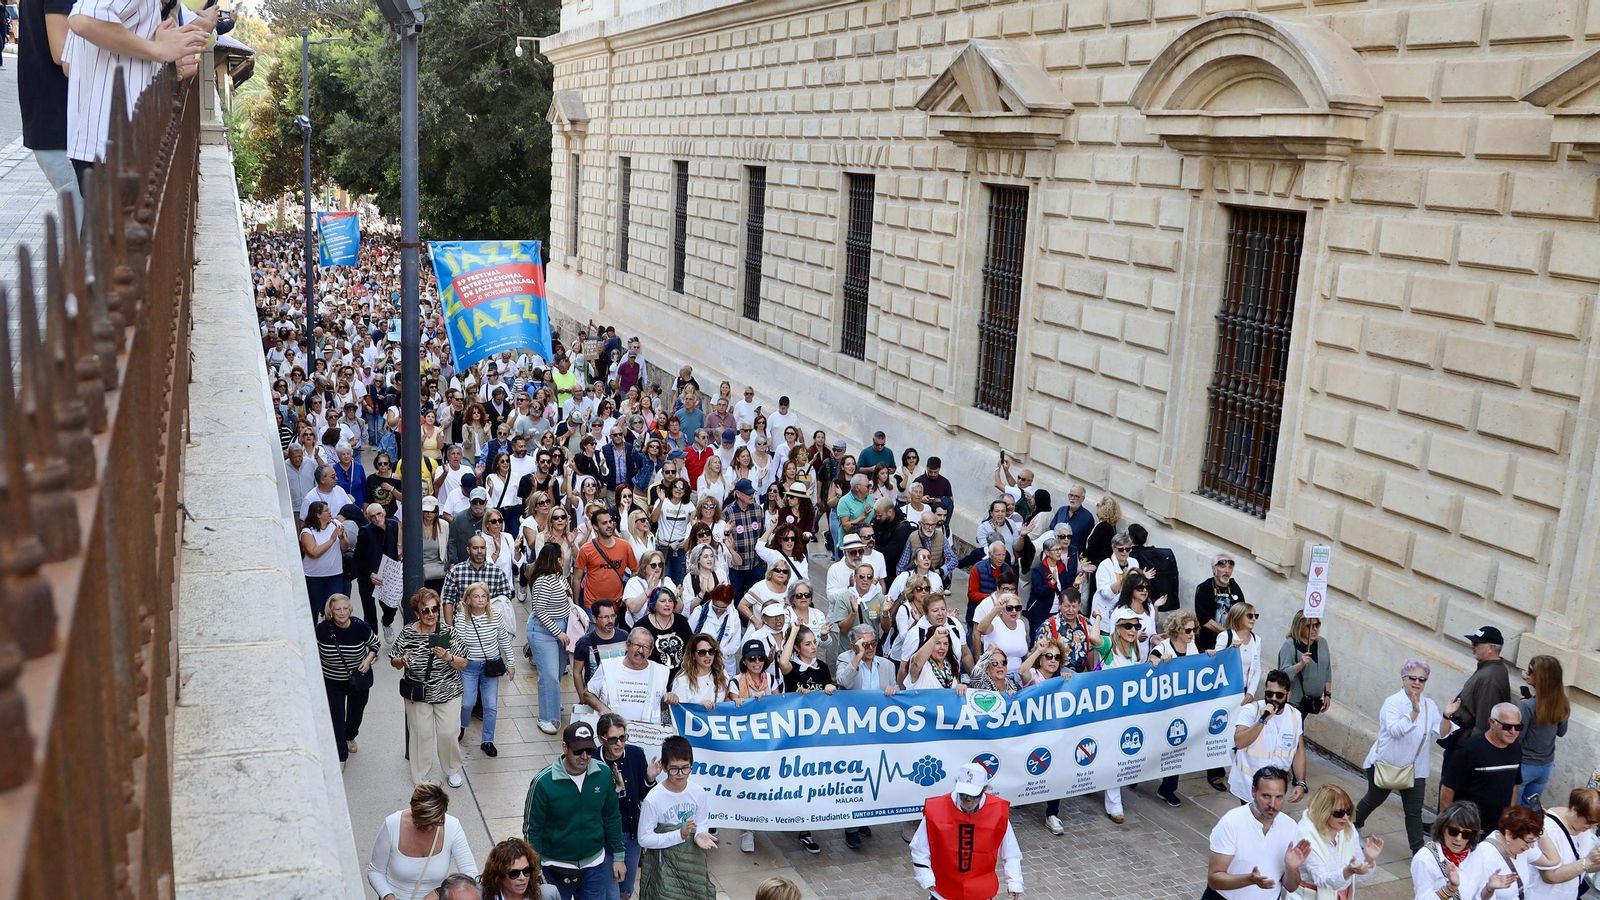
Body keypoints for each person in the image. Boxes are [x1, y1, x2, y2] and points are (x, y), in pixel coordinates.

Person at [1354, 659, 1455, 854]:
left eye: (1422, 679)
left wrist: (1447, 717)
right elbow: (1395, 731)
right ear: (1403, 679)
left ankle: (1419, 853)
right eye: (1413, 678)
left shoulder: (1430, 705)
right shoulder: (1392, 702)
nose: (1417, 683)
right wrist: (1414, 713)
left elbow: (1441, 732)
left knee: (1413, 812)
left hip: (1415, 768)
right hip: (1385, 763)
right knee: (1374, 799)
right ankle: (1353, 825)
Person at [523, 722, 628, 900]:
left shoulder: (603, 774)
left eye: (589, 750)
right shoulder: (543, 782)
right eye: (578, 751)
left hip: (594, 866)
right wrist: (536, 869)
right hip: (554, 869)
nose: (585, 756)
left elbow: (612, 817)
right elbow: (532, 830)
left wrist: (619, 856)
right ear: (565, 747)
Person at [389, 588, 470, 787]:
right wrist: (402, 660)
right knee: (420, 735)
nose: (431, 614)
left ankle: (451, 769)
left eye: (435, 610)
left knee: (448, 733)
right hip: (418, 693)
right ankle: (420, 777)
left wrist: (448, 657)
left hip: (448, 691)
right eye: (425, 610)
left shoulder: (448, 632)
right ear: (417, 613)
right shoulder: (408, 632)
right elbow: (393, 659)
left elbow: (464, 662)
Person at [910, 762, 1023, 900]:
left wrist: (1014, 882)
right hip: (943, 891)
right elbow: (919, 847)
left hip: (981, 892)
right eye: (963, 794)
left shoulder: (998, 812)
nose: (968, 799)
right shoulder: (936, 810)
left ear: (985, 789)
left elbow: (1010, 851)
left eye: (973, 795)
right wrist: (925, 876)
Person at [1204, 766, 1311, 900]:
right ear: (1253, 791)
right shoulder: (1232, 822)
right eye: (1266, 796)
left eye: (1279, 797)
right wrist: (1249, 879)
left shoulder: (1290, 827)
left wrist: (1291, 868)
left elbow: (1291, 886)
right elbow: (1214, 879)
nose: (1273, 804)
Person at [637, 736, 717, 900]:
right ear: (665, 767)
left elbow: (701, 822)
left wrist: (700, 834)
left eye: (685, 768)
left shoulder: (698, 792)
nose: (680, 774)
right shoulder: (654, 799)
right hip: (664, 867)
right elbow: (644, 839)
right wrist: (678, 835)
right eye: (674, 769)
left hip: (692, 863)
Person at [368, 784, 479, 900]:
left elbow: (471, 876)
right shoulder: (392, 824)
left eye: (435, 823)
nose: (429, 829)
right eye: (421, 824)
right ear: (413, 813)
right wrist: (388, 896)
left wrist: (438, 892)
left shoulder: (452, 826)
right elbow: (375, 871)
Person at [1440, 702, 1526, 842]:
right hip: (1467, 828)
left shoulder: (1516, 749)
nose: (1513, 731)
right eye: (1507, 726)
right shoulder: (1468, 750)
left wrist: (1509, 816)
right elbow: (1448, 789)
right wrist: (1449, 825)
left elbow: (1514, 784)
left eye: (1518, 727)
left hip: (1496, 829)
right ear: (1492, 722)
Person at [316, 593, 379, 768]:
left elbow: (375, 644)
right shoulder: (322, 630)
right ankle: (341, 756)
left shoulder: (360, 626)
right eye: (338, 609)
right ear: (331, 611)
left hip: (357, 679)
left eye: (345, 608)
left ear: (350, 609)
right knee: (336, 717)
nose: (342, 612)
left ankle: (350, 735)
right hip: (332, 680)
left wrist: (368, 660)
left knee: (355, 715)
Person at [1231, 669, 1308, 805]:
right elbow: (1240, 742)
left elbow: (1299, 750)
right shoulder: (1251, 710)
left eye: (1279, 695)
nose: (1273, 698)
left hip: (1276, 788)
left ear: (1288, 695)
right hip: (1249, 785)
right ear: (1264, 690)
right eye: (1269, 693)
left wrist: (1300, 782)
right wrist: (1263, 720)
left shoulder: (1295, 715)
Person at [456, 582, 516, 757]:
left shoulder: (495, 616)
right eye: (476, 596)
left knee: (490, 705)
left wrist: (510, 663)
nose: (481, 600)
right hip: (469, 666)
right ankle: (462, 724)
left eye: (484, 596)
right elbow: (459, 640)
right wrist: (461, 615)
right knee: (468, 702)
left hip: (491, 665)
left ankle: (487, 740)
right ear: (468, 599)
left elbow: (504, 640)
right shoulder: (462, 617)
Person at [595, 713, 650, 900]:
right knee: (612, 896)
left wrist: (649, 779)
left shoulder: (636, 754)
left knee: (625, 892)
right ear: (602, 739)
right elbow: (589, 806)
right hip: (605, 840)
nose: (619, 743)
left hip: (632, 835)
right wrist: (614, 792)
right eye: (613, 739)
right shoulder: (593, 762)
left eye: (623, 737)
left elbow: (644, 795)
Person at [1295, 783, 1383, 900]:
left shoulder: (1348, 829)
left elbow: (1358, 875)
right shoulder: (1305, 835)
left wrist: (1369, 859)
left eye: (1348, 811)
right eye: (1338, 813)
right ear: (1324, 812)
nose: (1346, 817)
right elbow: (1321, 880)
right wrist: (1347, 871)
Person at [528, 543, 576, 735]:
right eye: (561, 556)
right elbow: (539, 610)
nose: (563, 558)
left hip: (562, 628)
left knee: (557, 672)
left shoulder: (560, 577)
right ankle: (546, 717)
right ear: (555, 559)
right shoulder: (542, 581)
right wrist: (559, 632)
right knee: (548, 676)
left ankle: (553, 701)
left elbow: (567, 600)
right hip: (542, 632)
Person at [585, 627, 671, 725]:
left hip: (648, 735)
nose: (640, 651)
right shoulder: (608, 666)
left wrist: (670, 700)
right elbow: (587, 694)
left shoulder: (661, 671)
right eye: (637, 645)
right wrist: (602, 709)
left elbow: (664, 709)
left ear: (651, 651)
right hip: (611, 734)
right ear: (627, 645)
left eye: (645, 647)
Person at [1457, 806, 1545, 900]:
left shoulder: (1519, 847)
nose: (1532, 846)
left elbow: (1553, 862)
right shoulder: (1485, 856)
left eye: (1534, 840)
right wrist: (1489, 889)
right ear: (1509, 835)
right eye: (1529, 840)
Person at [1526, 787, 1600, 900]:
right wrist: (1588, 861)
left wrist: (1595, 861)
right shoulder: (1546, 829)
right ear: (1575, 810)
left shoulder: (1584, 830)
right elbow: (1550, 877)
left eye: (1596, 824)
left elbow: (1585, 868)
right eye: (1589, 822)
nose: (1591, 827)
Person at [1518, 655, 1571, 808]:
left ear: (1541, 678)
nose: (1527, 674)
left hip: (1524, 764)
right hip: (1545, 767)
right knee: (1530, 810)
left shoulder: (1528, 706)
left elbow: (1517, 738)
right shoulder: (1562, 703)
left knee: (1513, 812)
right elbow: (1561, 732)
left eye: (1530, 671)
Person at [1450, 626, 1514, 740]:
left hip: (1467, 742)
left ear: (1490, 648)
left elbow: (1484, 722)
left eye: (1476, 643)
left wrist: (1471, 751)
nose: (1472, 646)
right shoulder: (1491, 669)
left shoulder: (1490, 676)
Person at [1409, 802, 1483, 900]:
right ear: (1443, 828)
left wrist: (1489, 890)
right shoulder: (1425, 859)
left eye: (1466, 834)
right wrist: (1450, 889)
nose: (1458, 838)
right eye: (1454, 831)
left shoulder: (1478, 854)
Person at [576, 508, 638, 609]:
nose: (609, 525)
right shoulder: (586, 549)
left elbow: (635, 571)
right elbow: (577, 579)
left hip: (616, 605)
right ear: (595, 527)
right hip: (592, 605)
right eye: (604, 523)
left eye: (610, 522)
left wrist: (627, 594)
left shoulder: (625, 546)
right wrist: (577, 605)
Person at [300, 499, 351, 621]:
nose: (329, 513)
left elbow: (345, 547)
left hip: (335, 575)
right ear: (317, 514)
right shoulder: (307, 531)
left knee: (335, 607)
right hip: (314, 576)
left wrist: (341, 538)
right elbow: (313, 552)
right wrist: (332, 540)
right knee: (313, 608)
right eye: (326, 511)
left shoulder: (336, 524)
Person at [1278, 612, 1332, 720]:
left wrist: (1327, 694)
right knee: (1296, 733)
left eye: (1317, 625)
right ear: (1300, 626)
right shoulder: (1290, 645)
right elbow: (1282, 675)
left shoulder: (1322, 643)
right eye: (1309, 626)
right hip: (1295, 702)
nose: (1314, 629)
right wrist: (1300, 664)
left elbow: (1327, 670)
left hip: (1312, 701)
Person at [480, 837, 561, 900]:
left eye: (526, 871)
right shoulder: (480, 896)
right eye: (514, 873)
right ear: (499, 874)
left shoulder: (548, 895)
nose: (522, 878)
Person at [1195, 553, 1246, 652]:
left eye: (1230, 567)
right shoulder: (1204, 588)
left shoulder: (1234, 587)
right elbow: (1204, 619)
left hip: (1231, 643)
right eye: (1222, 566)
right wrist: (1228, 634)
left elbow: (1243, 611)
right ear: (1214, 569)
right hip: (1209, 644)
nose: (1227, 571)